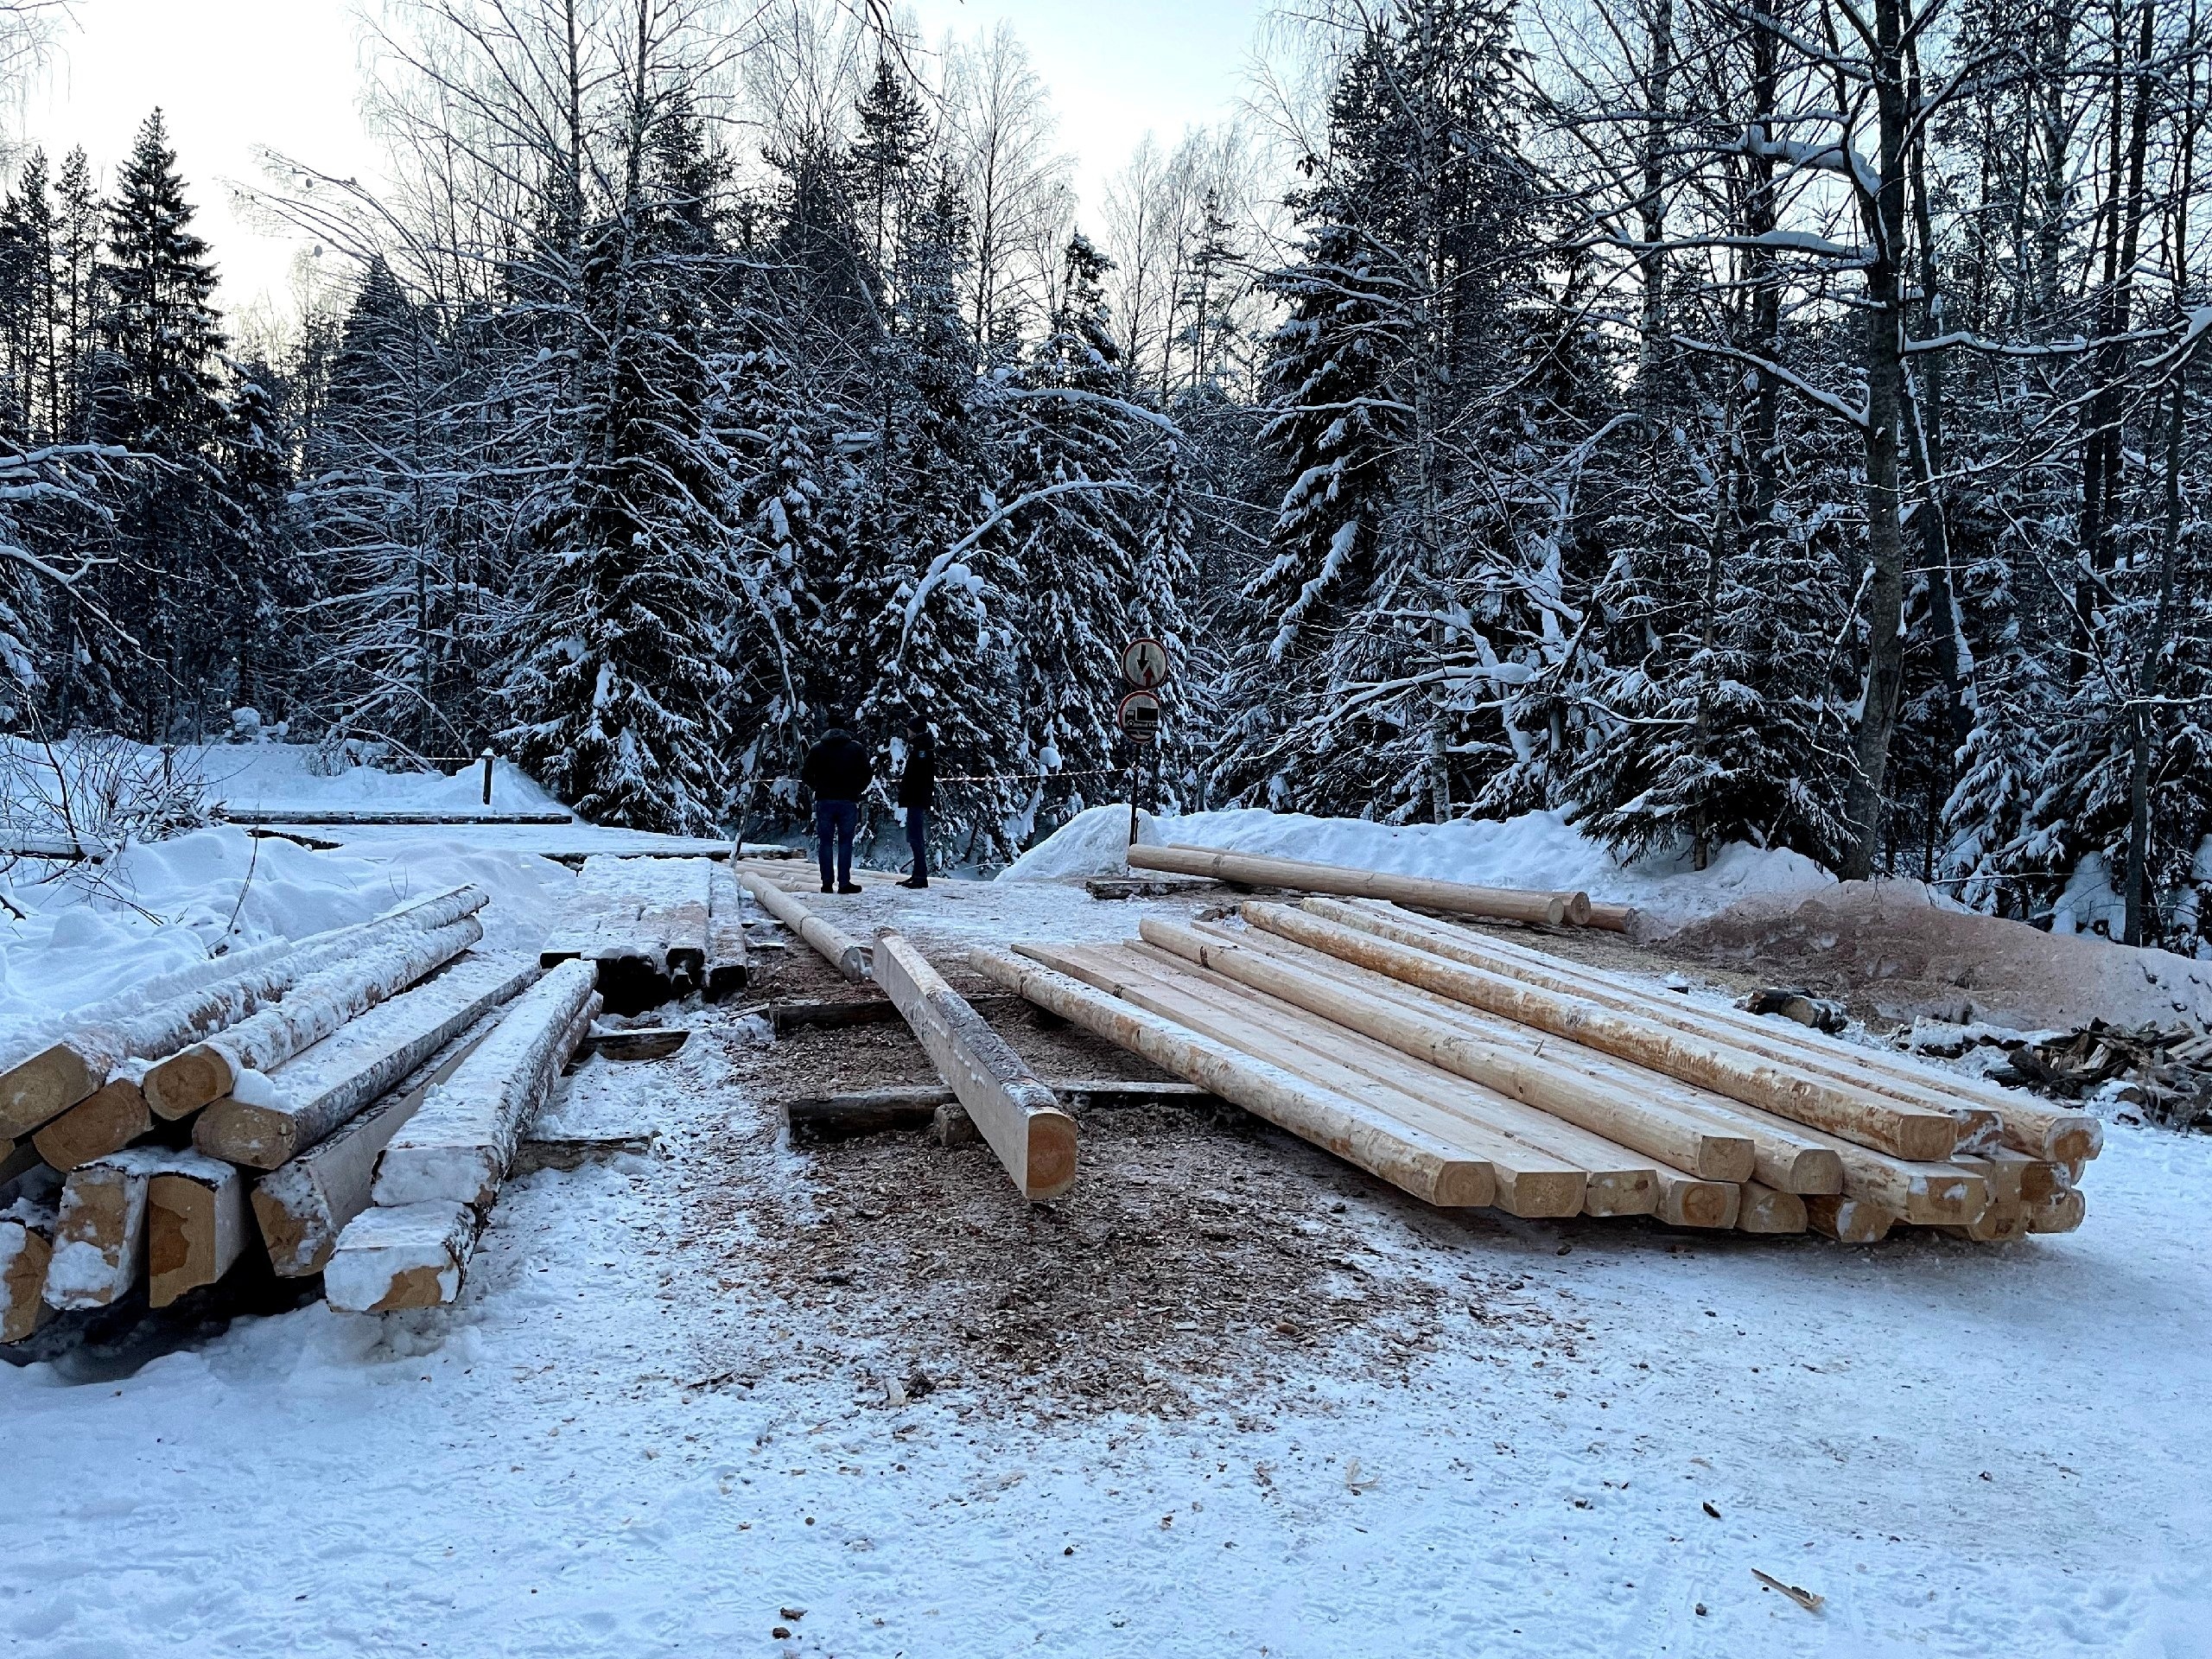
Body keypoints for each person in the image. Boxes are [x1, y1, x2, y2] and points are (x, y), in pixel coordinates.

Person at [800, 715, 871, 894]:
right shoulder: (855, 749)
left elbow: (806, 774)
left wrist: (817, 787)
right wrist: (857, 789)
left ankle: (826, 883)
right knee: (846, 842)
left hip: (825, 800)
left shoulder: (817, 749)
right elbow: (867, 773)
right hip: (848, 800)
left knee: (825, 842)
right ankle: (844, 882)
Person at [896, 718, 937, 889]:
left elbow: (919, 777)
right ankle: (917, 874)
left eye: (909, 729)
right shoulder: (921, 748)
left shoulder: (921, 750)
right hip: (916, 798)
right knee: (914, 837)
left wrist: (910, 792)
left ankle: (920, 876)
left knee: (916, 837)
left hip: (916, 799)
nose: (907, 731)